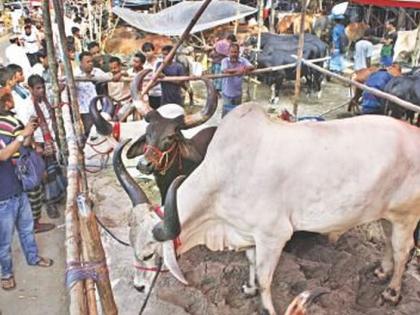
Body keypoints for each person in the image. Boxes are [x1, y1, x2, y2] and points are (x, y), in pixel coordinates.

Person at [0, 87, 53, 291]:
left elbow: (24, 146)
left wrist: (28, 133)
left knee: (27, 229)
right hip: (3, 196)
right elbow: (3, 155)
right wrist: (23, 136)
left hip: (17, 188)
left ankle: (33, 257)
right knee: (4, 242)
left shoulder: (9, 122)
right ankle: (6, 274)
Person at [73, 51, 113, 138]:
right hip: (85, 109)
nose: (90, 64)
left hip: (98, 106)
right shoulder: (75, 74)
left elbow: (108, 76)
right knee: (90, 132)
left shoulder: (97, 71)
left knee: (102, 129)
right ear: (81, 63)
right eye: (87, 62)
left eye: (91, 61)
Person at [220, 43, 254, 116]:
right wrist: (239, 69)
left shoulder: (243, 60)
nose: (233, 54)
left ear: (239, 52)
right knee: (226, 115)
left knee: (237, 115)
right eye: (232, 52)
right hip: (227, 94)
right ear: (228, 52)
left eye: (235, 52)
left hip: (238, 94)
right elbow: (225, 70)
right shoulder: (225, 61)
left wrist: (245, 68)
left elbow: (252, 67)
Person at [142, 42, 162, 109]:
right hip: (150, 94)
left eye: (148, 50)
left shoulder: (161, 62)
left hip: (162, 93)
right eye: (145, 51)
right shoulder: (144, 65)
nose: (147, 53)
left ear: (153, 51)